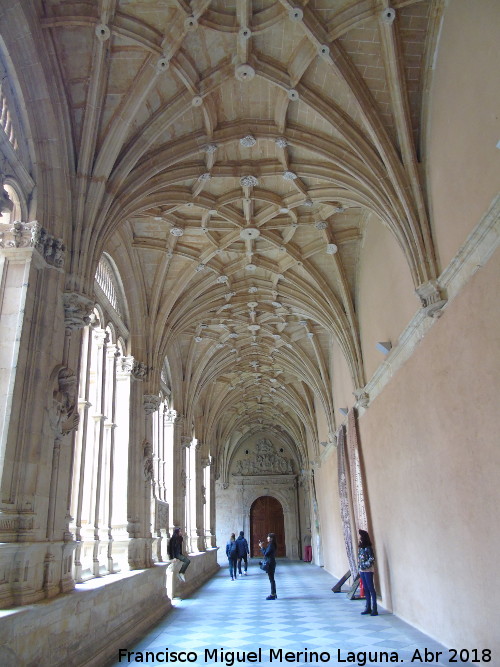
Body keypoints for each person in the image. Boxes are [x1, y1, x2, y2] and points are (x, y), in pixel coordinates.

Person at [358, 528, 377, 616]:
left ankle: (375, 608)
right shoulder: (361, 548)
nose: (359, 538)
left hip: (368, 570)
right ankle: (368, 607)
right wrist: (360, 567)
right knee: (365, 588)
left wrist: (364, 566)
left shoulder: (368, 548)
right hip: (362, 570)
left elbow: (371, 559)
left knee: (371, 588)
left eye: (360, 536)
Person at [259, 533, 277, 599]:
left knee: (271, 579)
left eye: (268, 537)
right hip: (272, 562)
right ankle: (274, 593)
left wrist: (261, 547)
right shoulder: (272, 545)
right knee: (272, 579)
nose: (267, 538)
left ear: (271, 538)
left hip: (270, 563)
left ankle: (272, 594)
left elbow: (266, 553)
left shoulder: (271, 545)